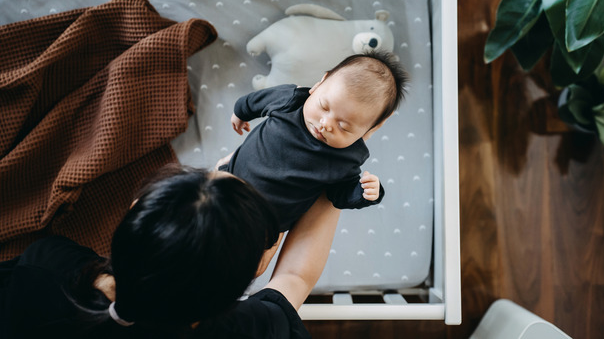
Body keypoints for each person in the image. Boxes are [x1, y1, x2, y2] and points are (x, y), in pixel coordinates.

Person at [0, 165, 339, 338]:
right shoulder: (250, 328)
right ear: (258, 267)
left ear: (134, 211)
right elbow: (294, 277)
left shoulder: (44, 266)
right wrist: (339, 175)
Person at [217, 51, 409, 233]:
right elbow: (256, 101)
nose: (326, 124)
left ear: (369, 132)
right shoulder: (290, 100)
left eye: (343, 126)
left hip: (264, 221)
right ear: (319, 84)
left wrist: (363, 192)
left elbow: (340, 195)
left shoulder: (346, 159)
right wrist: (240, 112)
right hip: (231, 178)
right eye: (324, 107)